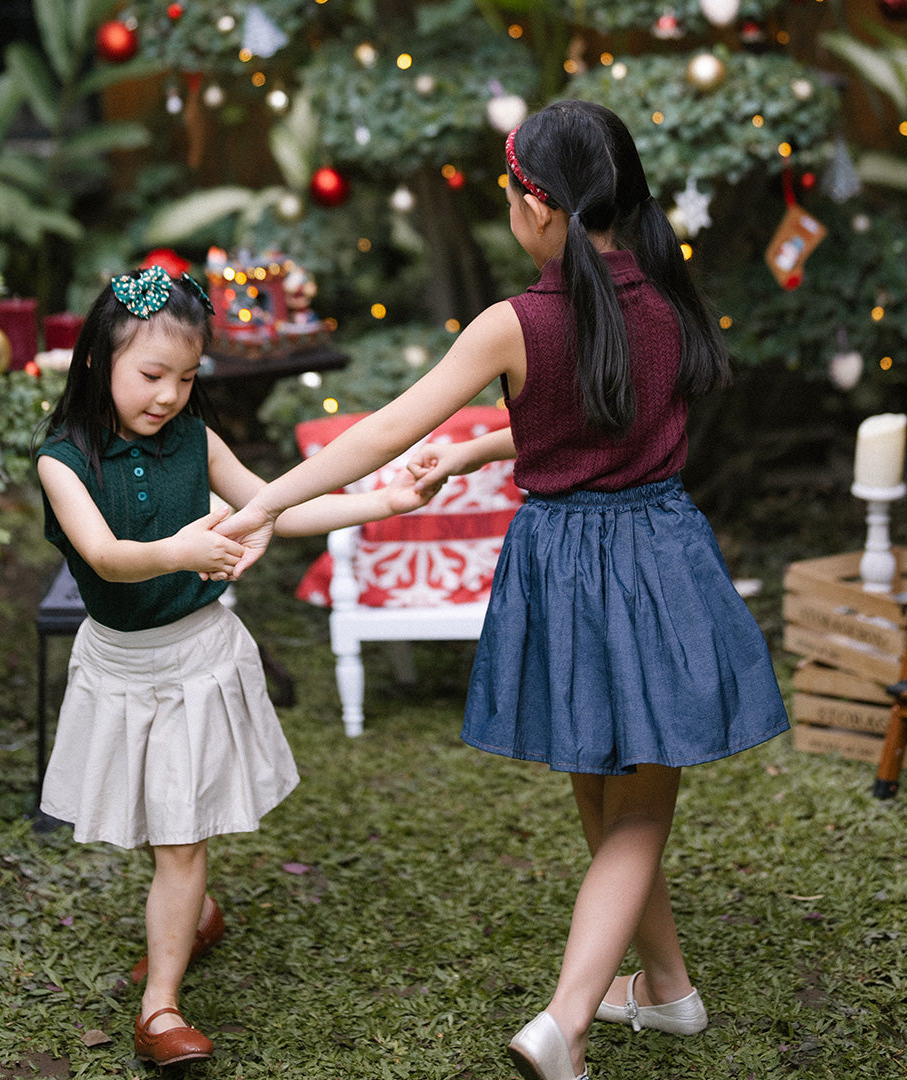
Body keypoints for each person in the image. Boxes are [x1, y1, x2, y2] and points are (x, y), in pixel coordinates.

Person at [216, 100, 790, 1080]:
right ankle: (669, 992)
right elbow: (604, 409)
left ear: (539, 206)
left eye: (510, 189)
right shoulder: (662, 296)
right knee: (636, 803)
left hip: (565, 566)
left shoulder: (514, 324)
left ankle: (567, 1018)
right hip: (654, 558)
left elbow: (379, 432)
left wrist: (265, 502)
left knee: (613, 800)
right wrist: (482, 445)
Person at [34, 265, 440, 1067]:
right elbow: (108, 558)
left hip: (197, 658)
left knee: (180, 835)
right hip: (120, 665)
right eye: (151, 375)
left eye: (186, 378)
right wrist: (180, 548)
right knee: (160, 821)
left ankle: (159, 1008)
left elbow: (274, 506)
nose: (169, 396)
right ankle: (196, 913)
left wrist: (384, 501)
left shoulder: (194, 436)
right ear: (94, 363)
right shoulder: (63, 461)